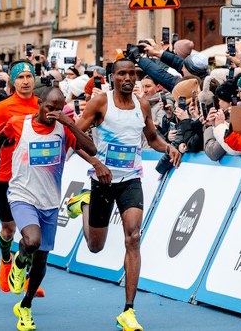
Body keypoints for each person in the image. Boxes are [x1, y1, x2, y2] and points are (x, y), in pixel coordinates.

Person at [66, 58, 181, 331]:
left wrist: (168, 147)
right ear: (112, 77)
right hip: (102, 181)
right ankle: (84, 205)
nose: (128, 78)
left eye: (132, 73)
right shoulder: (101, 103)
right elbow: (74, 137)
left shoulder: (142, 105)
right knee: (95, 246)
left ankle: (128, 311)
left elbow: (152, 138)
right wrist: (97, 163)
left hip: (131, 180)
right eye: (122, 74)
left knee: (134, 236)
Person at [0, 85, 95, 331]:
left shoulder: (63, 128)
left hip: (49, 201)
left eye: (59, 109)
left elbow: (90, 149)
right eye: (50, 107)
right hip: (21, 195)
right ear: (39, 103)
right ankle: (18, 264)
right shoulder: (19, 123)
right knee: (31, 241)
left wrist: (70, 123)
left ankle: (25, 306)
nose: (53, 113)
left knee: (41, 260)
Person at [0, 60, 39, 292]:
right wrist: (4, 141)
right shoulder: (3, 108)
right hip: (8, 177)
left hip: (36, 178)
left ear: (34, 79)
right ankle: (5, 261)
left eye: (28, 76)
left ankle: (28, 278)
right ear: (12, 81)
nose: (25, 81)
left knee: (32, 232)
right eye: (20, 77)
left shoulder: (41, 106)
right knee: (9, 230)